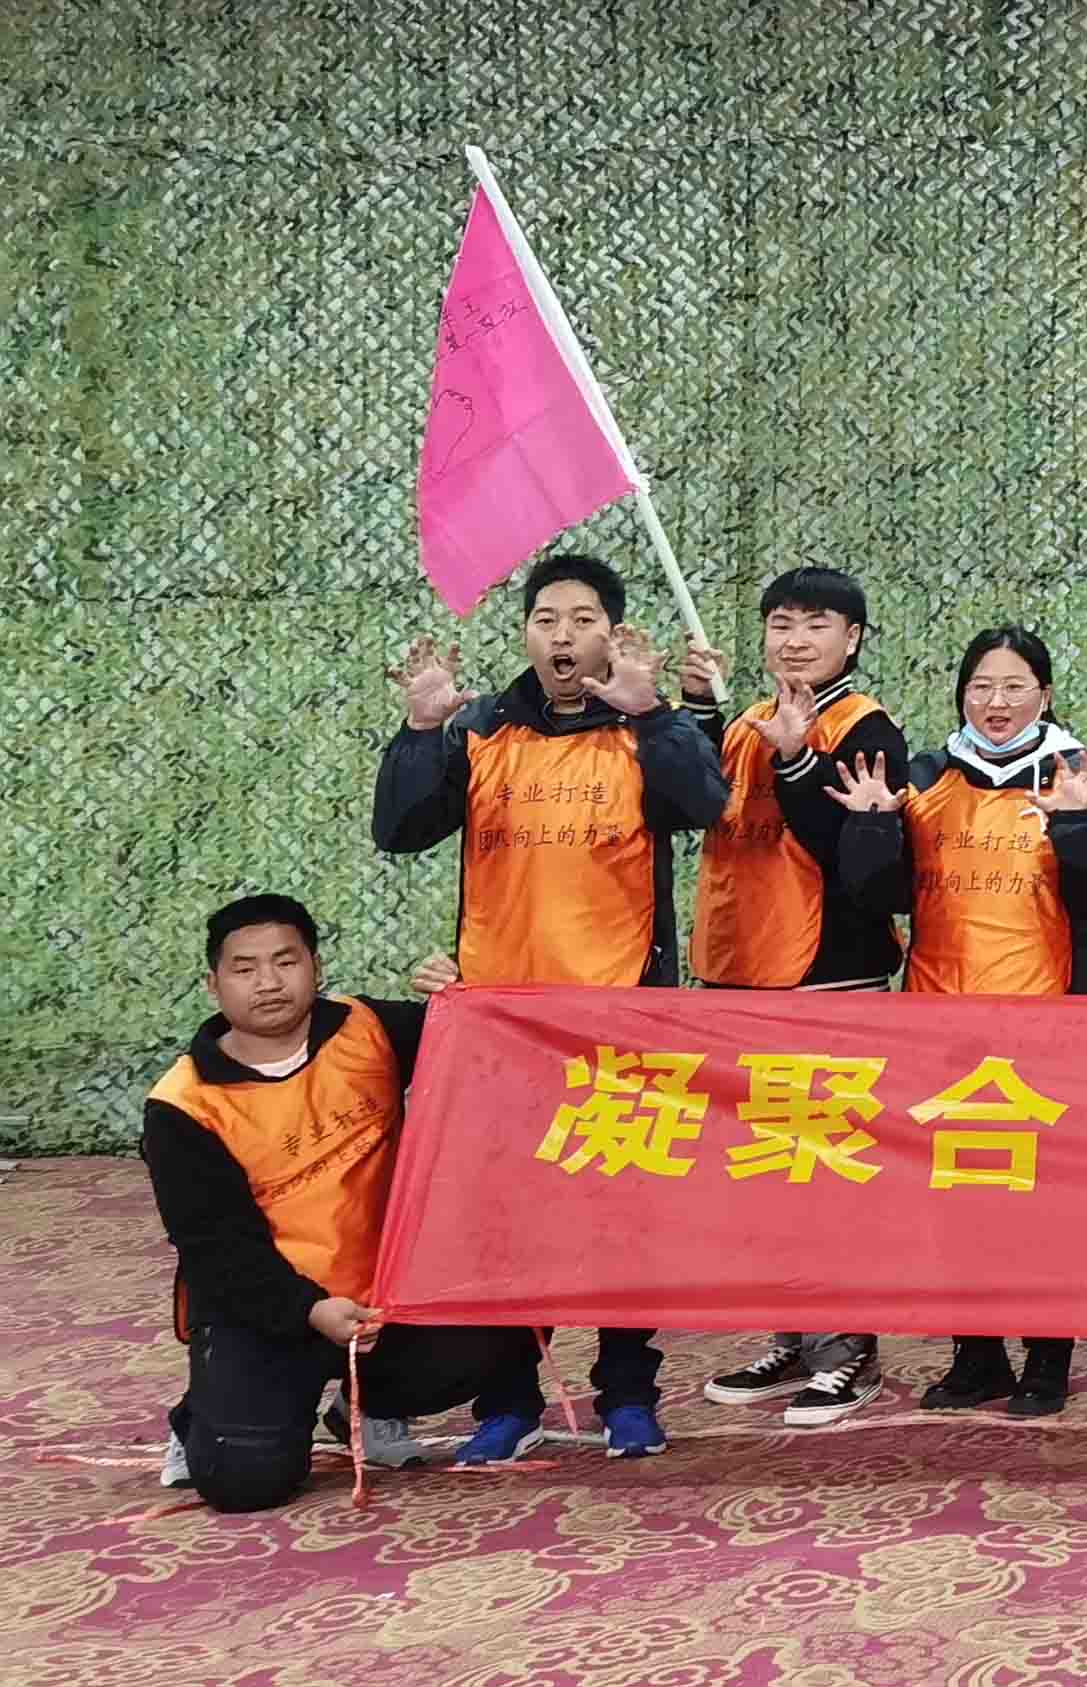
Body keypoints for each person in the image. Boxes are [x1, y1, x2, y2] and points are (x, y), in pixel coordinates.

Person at [372, 551, 729, 1458]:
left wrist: (655, 713)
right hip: (502, 1022)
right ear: (526, 634)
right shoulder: (482, 727)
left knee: (622, 1212)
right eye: (545, 620)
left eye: (581, 620)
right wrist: (420, 730)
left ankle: (628, 1394)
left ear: (612, 634)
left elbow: (706, 805)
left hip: (618, 1016)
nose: (562, 636)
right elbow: (400, 829)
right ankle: (508, 1401)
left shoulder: (639, 726)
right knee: (506, 1214)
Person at [145, 896, 548, 1511]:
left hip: (385, 1294)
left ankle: (364, 1404)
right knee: (244, 1482)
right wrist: (310, 1310)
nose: (269, 982)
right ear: (213, 985)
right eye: (245, 969)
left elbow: (488, 1045)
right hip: (264, 1303)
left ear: (317, 968)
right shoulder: (183, 1103)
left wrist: (465, 992)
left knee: (510, 1318)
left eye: (286, 962)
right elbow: (216, 1249)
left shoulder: (368, 1028)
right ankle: (205, 1411)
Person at [831, 626, 1087, 1420]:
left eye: (1014, 686)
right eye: (980, 687)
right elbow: (880, 895)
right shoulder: (926, 776)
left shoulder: (1078, 774)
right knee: (956, 1191)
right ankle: (977, 1353)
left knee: (1043, 1197)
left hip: (1047, 1022)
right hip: (943, 1017)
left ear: (1046, 695)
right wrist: (872, 823)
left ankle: (1047, 1356)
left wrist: (1076, 823)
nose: (996, 703)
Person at [677, 565, 905, 1430]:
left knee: (833, 1172)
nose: (796, 639)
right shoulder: (747, 721)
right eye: (781, 623)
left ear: (853, 638)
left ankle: (849, 1349)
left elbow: (857, 864)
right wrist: (695, 712)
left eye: (816, 624)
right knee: (768, 1172)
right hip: (740, 973)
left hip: (828, 976)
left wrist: (799, 759)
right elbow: (695, 805)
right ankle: (792, 1334)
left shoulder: (866, 726)